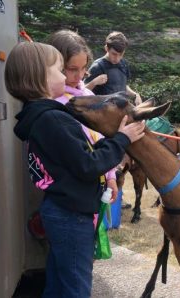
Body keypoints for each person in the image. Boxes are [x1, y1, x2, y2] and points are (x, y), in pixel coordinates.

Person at [5, 42, 145, 298]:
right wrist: (122, 140)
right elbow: (88, 165)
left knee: (59, 282)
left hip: (62, 210)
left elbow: (78, 156)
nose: (66, 77)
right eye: (59, 70)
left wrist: (111, 140)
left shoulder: (42, 117)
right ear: (40, 79)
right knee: (76, 289)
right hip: (71, 216)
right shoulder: (53, 119)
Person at [47, 29, 119, 201]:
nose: (79, 76)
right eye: (72, 69)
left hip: (97, 180)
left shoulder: (87, 94)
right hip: (75, 192)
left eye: (84, 68)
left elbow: (100, 136)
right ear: (55, 66)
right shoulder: (54, 103)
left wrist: (111, 177)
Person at [84, 31, 142, 105]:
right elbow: (82, 92)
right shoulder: (98, 66)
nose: (117, 58)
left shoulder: (123, 64)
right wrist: (94, 82)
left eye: (121, 54)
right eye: (114, 54)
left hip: (121, 110)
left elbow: (123, 86)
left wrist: (135, 95)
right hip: (103, 112)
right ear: (106, 48)